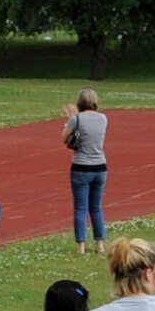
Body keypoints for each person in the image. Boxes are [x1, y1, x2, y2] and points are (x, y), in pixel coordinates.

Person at [61, 89, 109, 255]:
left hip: (81, 166)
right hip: (100, 166)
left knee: (80, 208)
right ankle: (100, 243)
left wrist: (70, 121)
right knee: (96, 207)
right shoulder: (103, 118)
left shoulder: (76, 119)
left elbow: (65, 138)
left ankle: (81, 245)